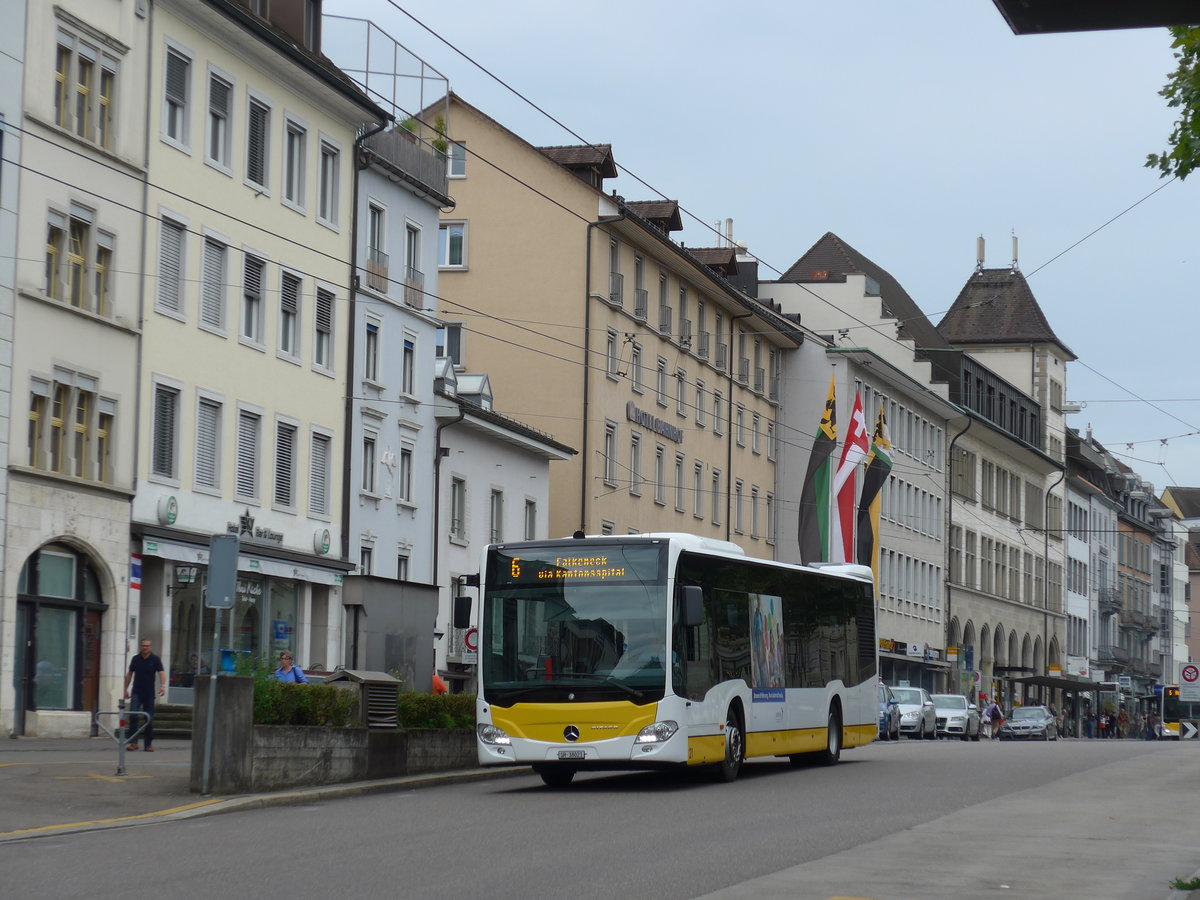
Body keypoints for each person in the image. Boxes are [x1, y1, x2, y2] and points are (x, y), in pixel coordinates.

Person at [123, 639, 165, 751]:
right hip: (136, 692)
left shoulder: (155, 659)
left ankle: (148, 744)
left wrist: (162, 686)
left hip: (149, 693)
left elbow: (161, 672)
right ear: (140, 647)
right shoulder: (135, 659)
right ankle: (133, 742)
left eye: (147, 646)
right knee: (133, 716)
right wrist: (125, 689)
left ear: (150, 647)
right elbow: (129, 674)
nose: (144, 648)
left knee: (149, 719)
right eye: (143, 646)